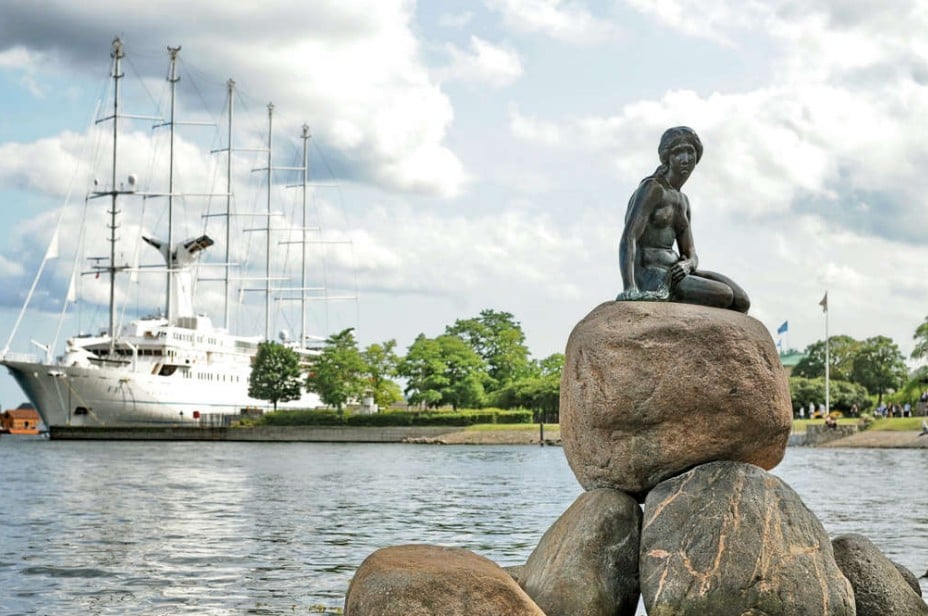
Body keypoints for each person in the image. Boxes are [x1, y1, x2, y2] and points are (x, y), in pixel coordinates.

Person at [618, 126, 750, 312]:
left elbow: (691, 254)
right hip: (653, 276)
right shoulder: (652, 189)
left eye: (690, 151)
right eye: (678, 152)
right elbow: (629, 237)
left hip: (677, 272)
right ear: (667, 157)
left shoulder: (683, 201)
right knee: (725, 295)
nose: (685, 158)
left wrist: (687, 265)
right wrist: (629, 288)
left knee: (742, 300)